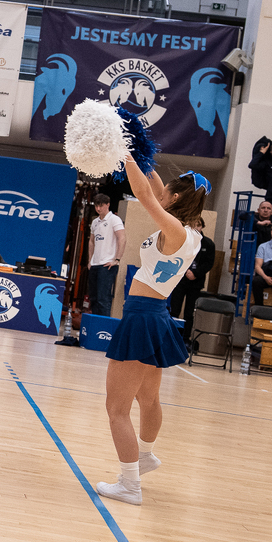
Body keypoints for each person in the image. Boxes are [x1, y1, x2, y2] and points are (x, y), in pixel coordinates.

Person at [95, 162, 207, 506]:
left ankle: (130, 485)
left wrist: (127, 157)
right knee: (148, 399)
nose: (162, 193)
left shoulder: (174, 230)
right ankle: (145, 456)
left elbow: (145, 195)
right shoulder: (191, 233)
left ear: (175, 199)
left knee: (116, 408)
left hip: (143, 317)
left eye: (168, 192)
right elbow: (155, 190)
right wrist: (145, 161)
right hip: (155, 314)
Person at [165, 216, 215, 340]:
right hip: (180, 280)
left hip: (196, 282)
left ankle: (185, 338)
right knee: (174, 309)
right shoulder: (183, 240)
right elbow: (176, 257)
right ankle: (170, 336)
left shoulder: (208, 244)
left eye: (198, 225)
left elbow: (209, 263)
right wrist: (185, 270)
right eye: (192, 226)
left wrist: (195, 273)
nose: (195, 228)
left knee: (189, 312)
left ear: (202, 227)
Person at [85, 193, 125, 316]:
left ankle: (103, 324)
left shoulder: (114, 219)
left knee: (103, 298)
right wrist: (90, 260)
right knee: (93, 298)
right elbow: (91, 241)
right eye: (96, 206)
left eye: (101, 206)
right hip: (95, 264)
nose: (98, 209)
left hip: (107, 264)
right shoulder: (95, 222)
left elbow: (122, 238)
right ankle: (95, 323)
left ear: (107, 205)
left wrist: (117, 259)